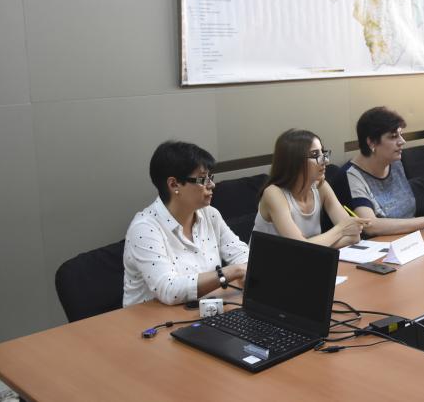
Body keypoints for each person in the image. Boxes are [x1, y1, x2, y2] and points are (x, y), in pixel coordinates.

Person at [123, 141, 249, 306]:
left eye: (210, 177)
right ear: (174, 184)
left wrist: (245, 269)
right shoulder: (144, 228)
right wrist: (234, 271)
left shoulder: (210, 214)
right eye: (202, 179)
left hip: (200, 310)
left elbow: (242, 255)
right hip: (149, 318)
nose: (211, 185)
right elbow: (169, 290)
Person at [342, 107, 424, 236]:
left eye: (400, 134)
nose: (402, 141)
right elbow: (370, 226)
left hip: (412, 239)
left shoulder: (394, 162)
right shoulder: (351, 175)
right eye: (393, 137)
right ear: (372, 142)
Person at [254, 129, 369, 248]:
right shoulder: (273, 193)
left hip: (304, 258)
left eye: (323, 153)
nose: (326, 160)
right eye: (315, 155)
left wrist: (315, 247)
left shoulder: (321, 186)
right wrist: (340, 229)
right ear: (294, 161)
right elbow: (299, 246)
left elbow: (354, 236)